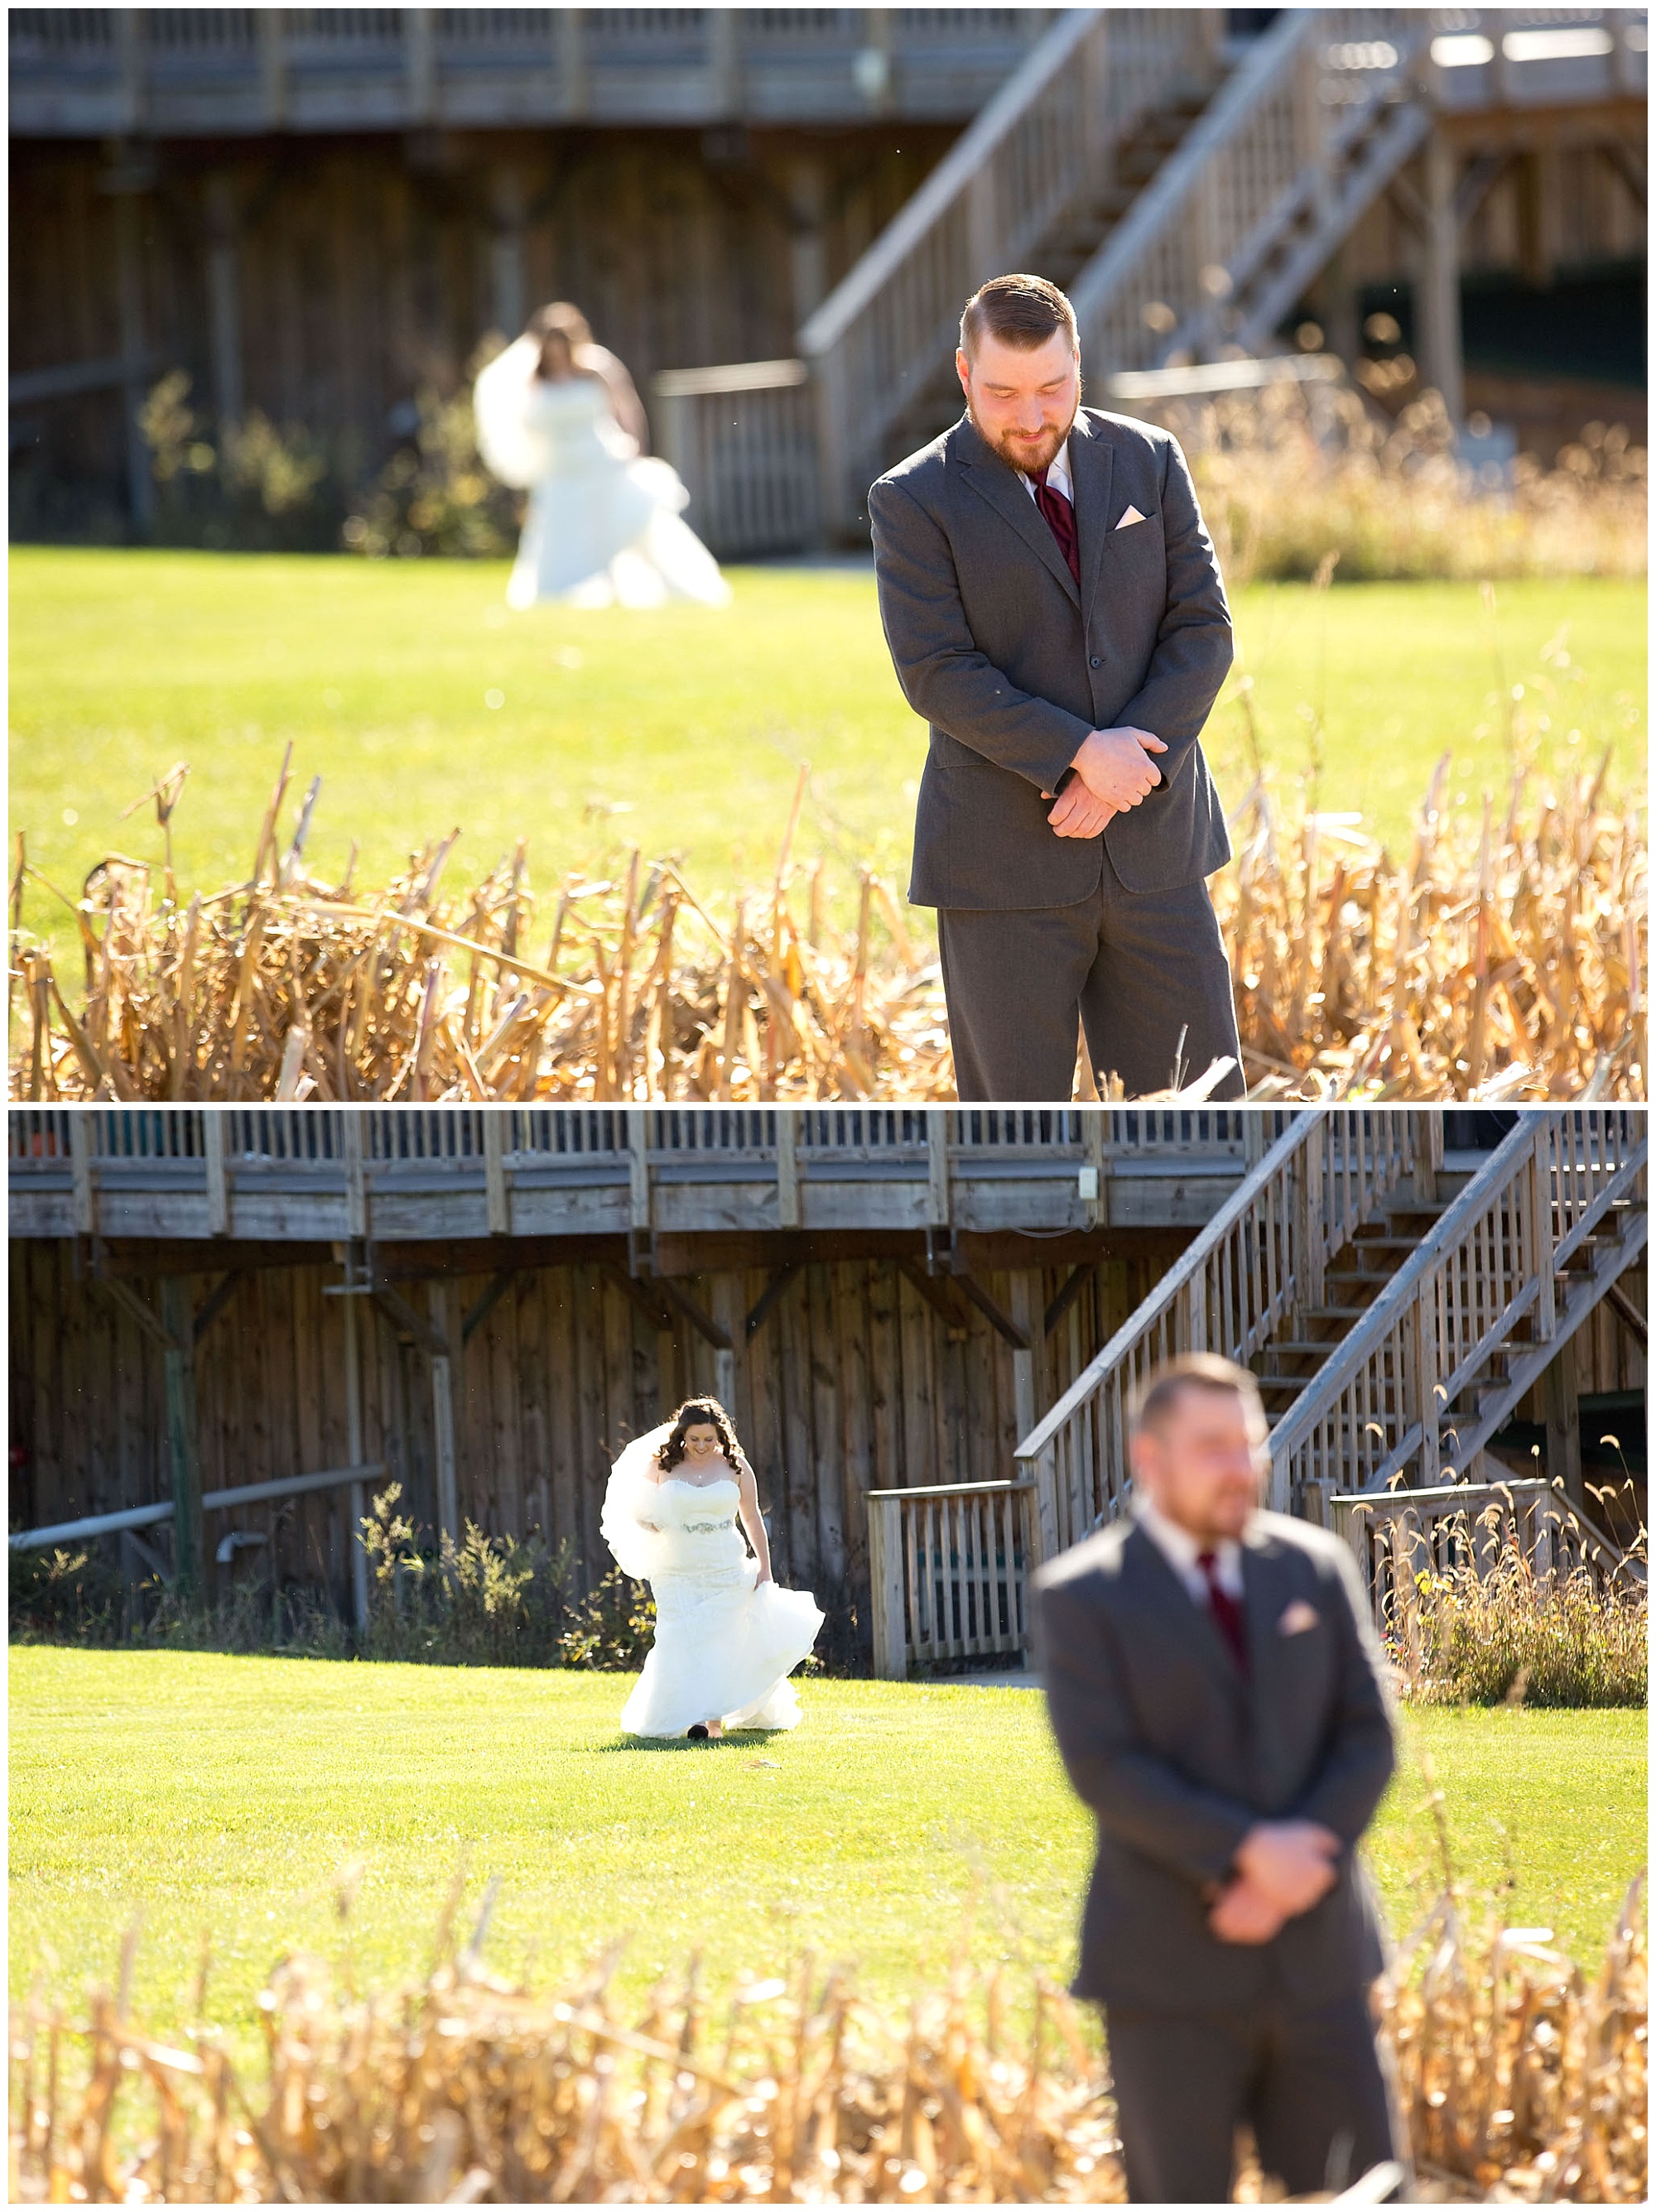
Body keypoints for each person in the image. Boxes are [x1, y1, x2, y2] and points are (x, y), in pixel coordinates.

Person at [1032, 1354, 1403, 2204]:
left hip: (1320, 1963)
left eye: (1248, 1445)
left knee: (1368, 2192)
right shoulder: (1083, 1595)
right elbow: (1106, 1766)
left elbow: (1367, 1736)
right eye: (1212, 1448)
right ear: (1147, 1458)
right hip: (1166, 1971)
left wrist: (1289, 1869)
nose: (1239, 1468)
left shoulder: (1310, 1565)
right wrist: (1245, 1855)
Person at [867, 272, 1244, 1103]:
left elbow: (1202, 630)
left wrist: (1125, 767)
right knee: (1013, 1146)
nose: (1031, 416)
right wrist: (1078, 754)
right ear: (963, 374)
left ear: (1078, 362)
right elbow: (936, 669)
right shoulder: (909, 498)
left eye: (1051, 388)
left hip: (1157, 854)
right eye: (1002, 392)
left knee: (1204, 1123)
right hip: (999, 868)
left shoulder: (1148, 459)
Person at [472, 306, 730, 611]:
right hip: (562, 471)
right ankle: (565, 590)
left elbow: (627, 408)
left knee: (626, 524)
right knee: (561, 534)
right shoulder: (534, 379)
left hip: (601, 462)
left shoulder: (596, 368)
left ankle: (625, 584)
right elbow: (525, 419)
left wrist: (637, 446)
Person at [601, 1397, 823, 1738]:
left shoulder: (735, 1466)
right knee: (681, 1638)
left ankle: (711, 1721)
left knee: (721, 1640)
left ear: (720, 1435)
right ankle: (689, 1715)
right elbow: (634, 1508)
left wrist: (765, 1569)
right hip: (676, 1569)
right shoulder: (663, 1465)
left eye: (708, 1439)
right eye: (694, 1439)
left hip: (725, 1566)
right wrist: (658, 1525)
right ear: (682, 1436)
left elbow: (751, 1518)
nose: (701, 1446)